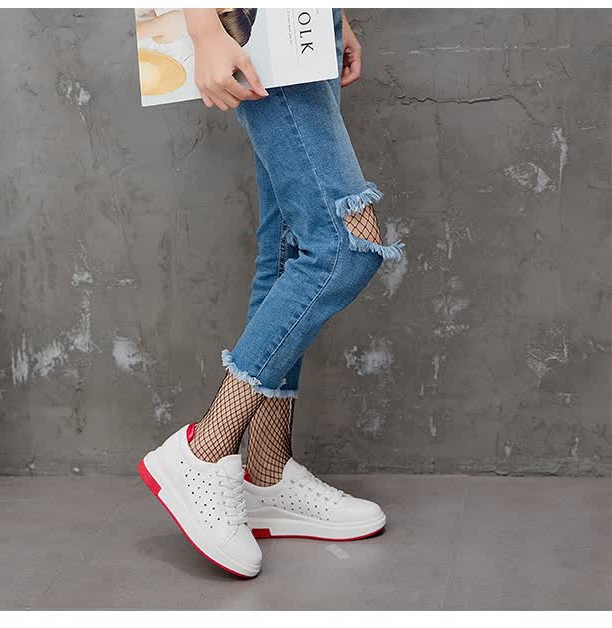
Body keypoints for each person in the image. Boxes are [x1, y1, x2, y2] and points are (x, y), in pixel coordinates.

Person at [138, 8, 403, 578]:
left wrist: (335, 16)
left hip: (303, 21)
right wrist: (205, 28)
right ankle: (204, 449)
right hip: (257, 21)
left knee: (289, 244)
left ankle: (267, 471)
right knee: (344, 246)